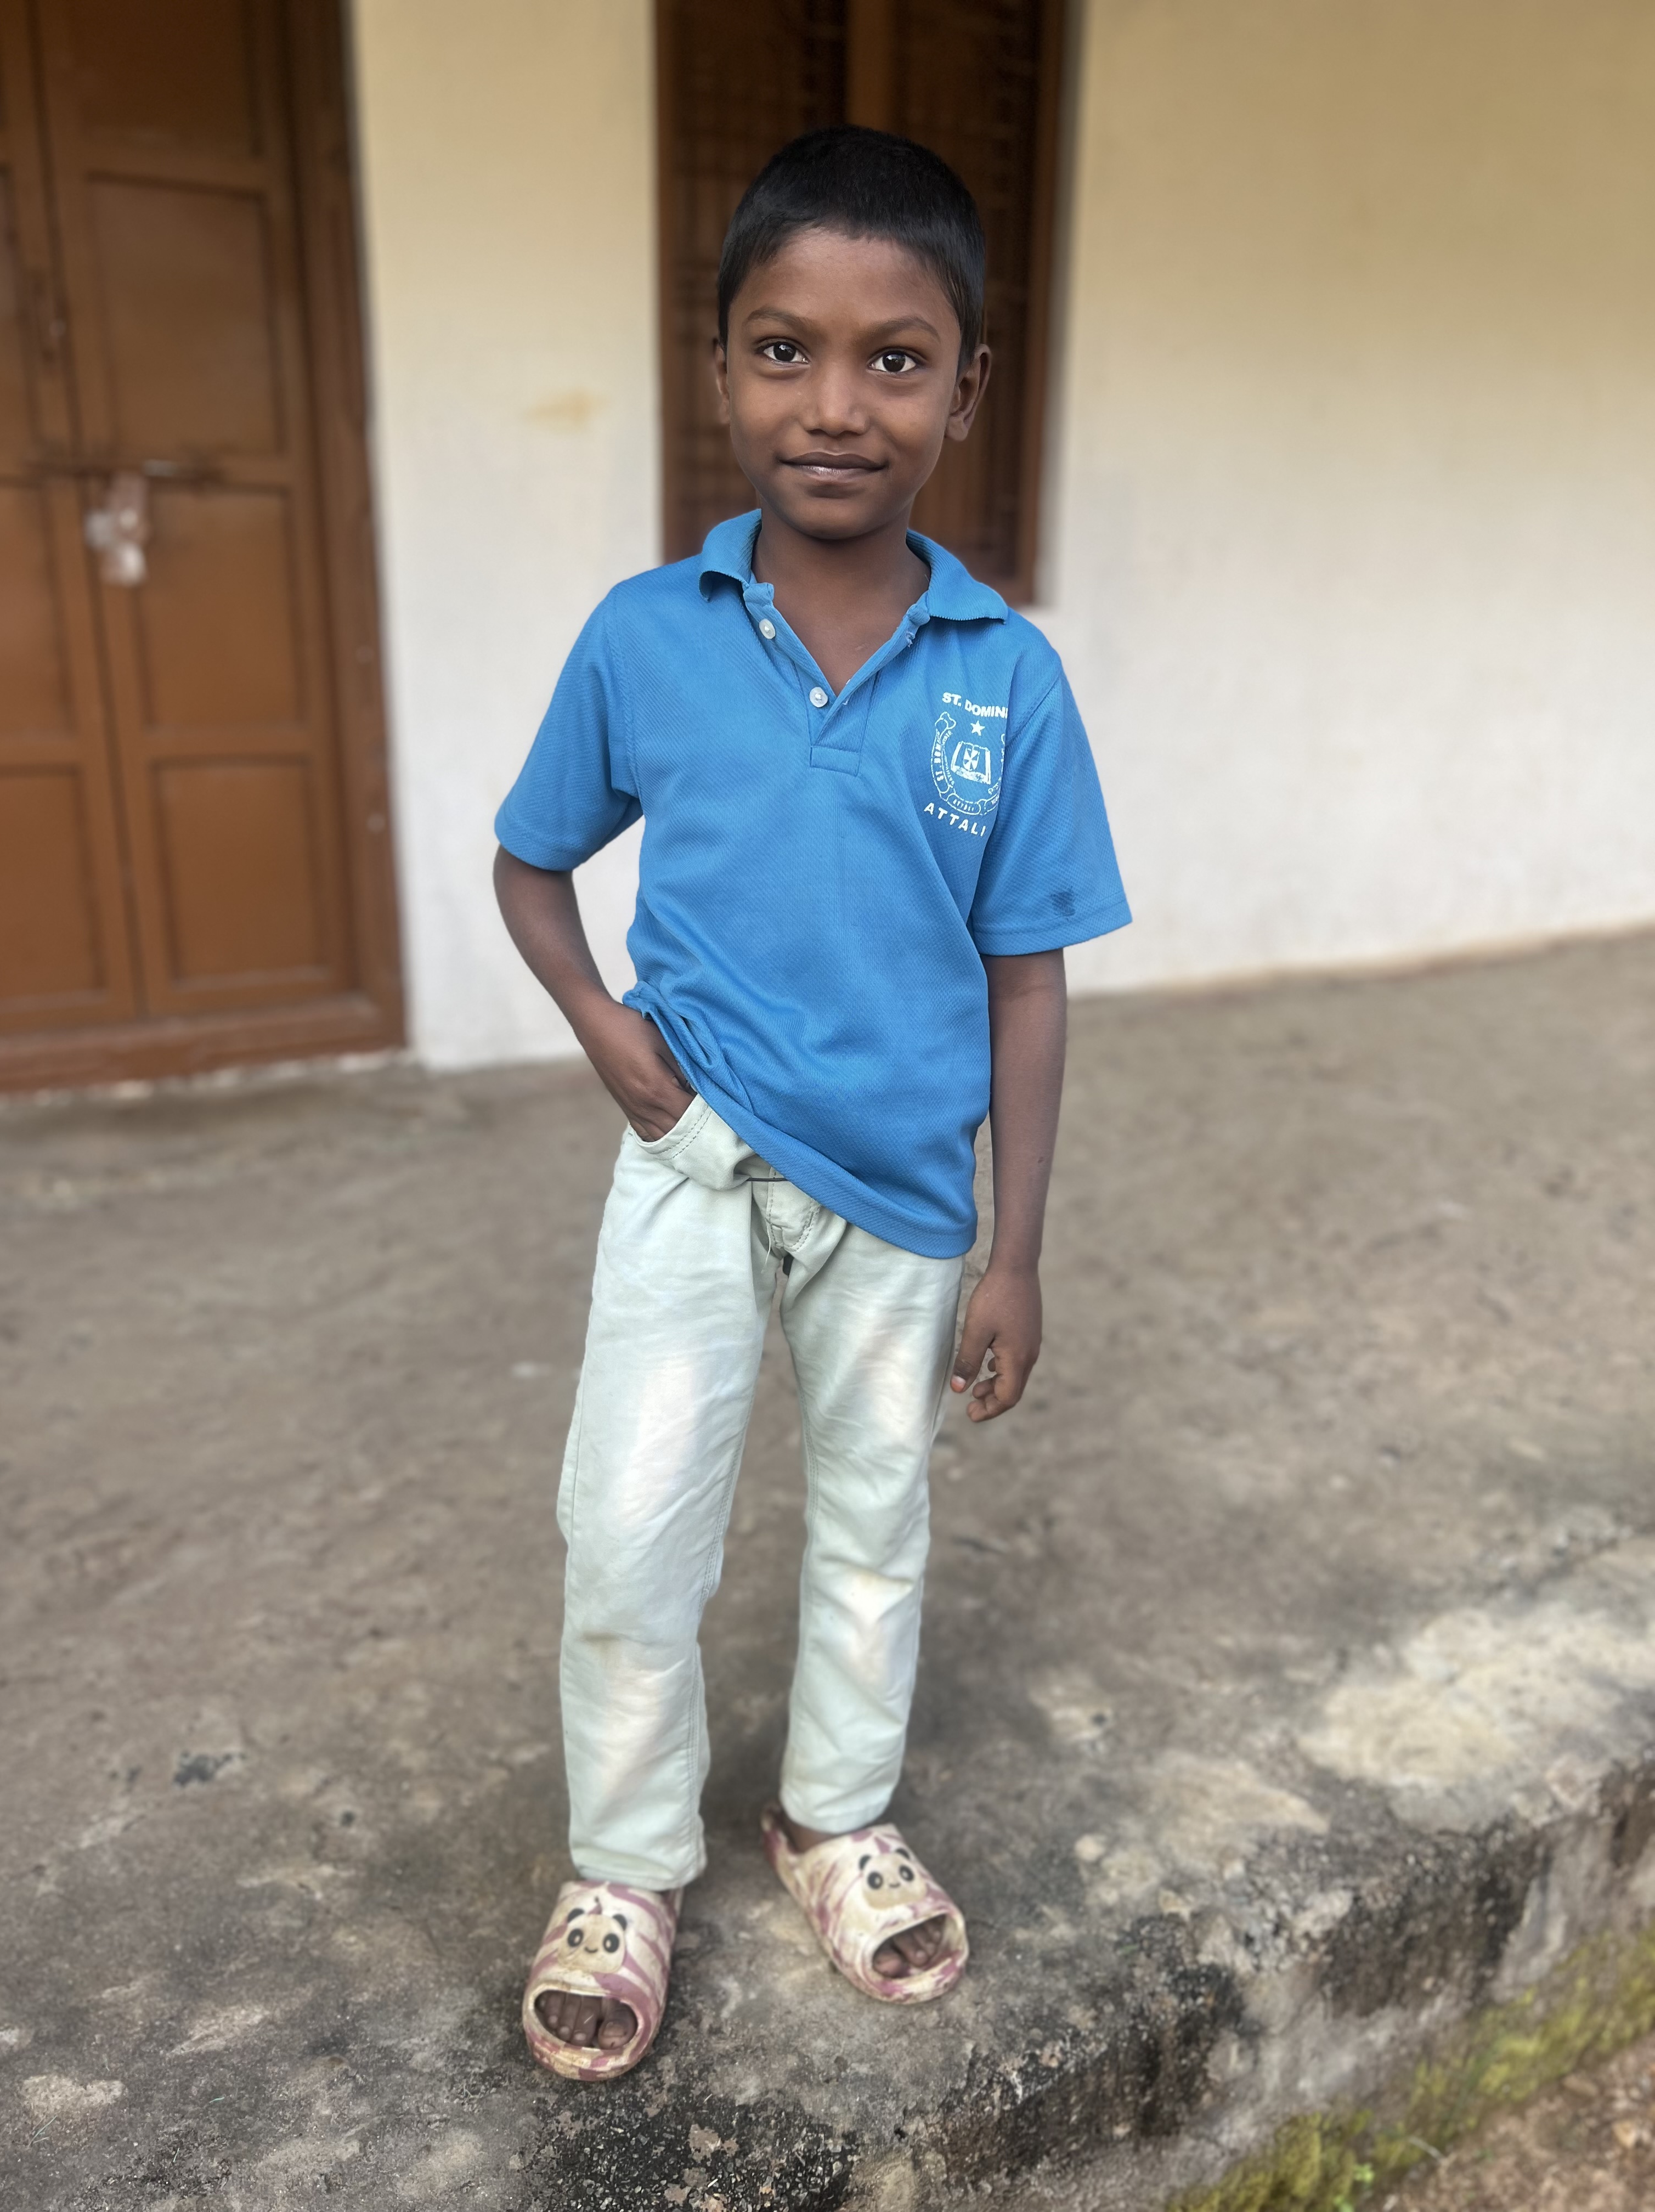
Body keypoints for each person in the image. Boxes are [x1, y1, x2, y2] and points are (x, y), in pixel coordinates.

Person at [493, 126, 1129, 2082]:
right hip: (695, 1162)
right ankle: (627, 1862)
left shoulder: (1006, 677)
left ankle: (833, 1818)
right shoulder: (646, 634)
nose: (835, 405)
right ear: (719, 370)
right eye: (784, 350)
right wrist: (607, 1031)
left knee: (874, 1526)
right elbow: (532, 861)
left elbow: (1026, 977)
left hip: (908, 1201)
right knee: (630, 1534)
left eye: (895, 359)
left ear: (968, 390)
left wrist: (1017, 1248)